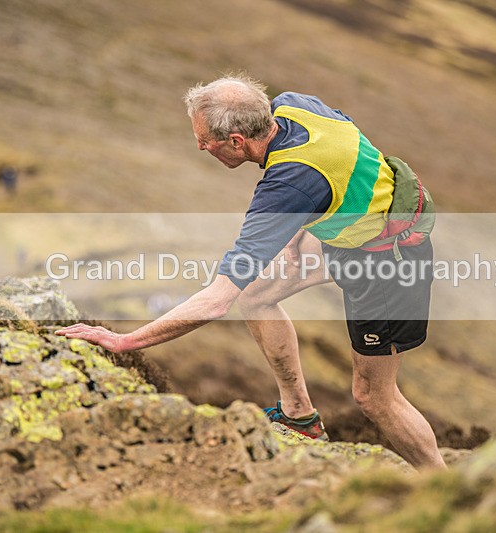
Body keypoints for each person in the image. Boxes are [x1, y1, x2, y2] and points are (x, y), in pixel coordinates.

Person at [56, 75, 446, 470]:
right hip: (355, 232)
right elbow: (348, 157)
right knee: (256, 294)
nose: (200, 146)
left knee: (373, 396)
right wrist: (300, 224)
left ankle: (445, 485)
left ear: (237, 142)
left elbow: (216, 299)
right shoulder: (294, 104)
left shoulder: (286, 187)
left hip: (388, 261)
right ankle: (300, 416)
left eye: (206, 141)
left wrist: (125, 342)